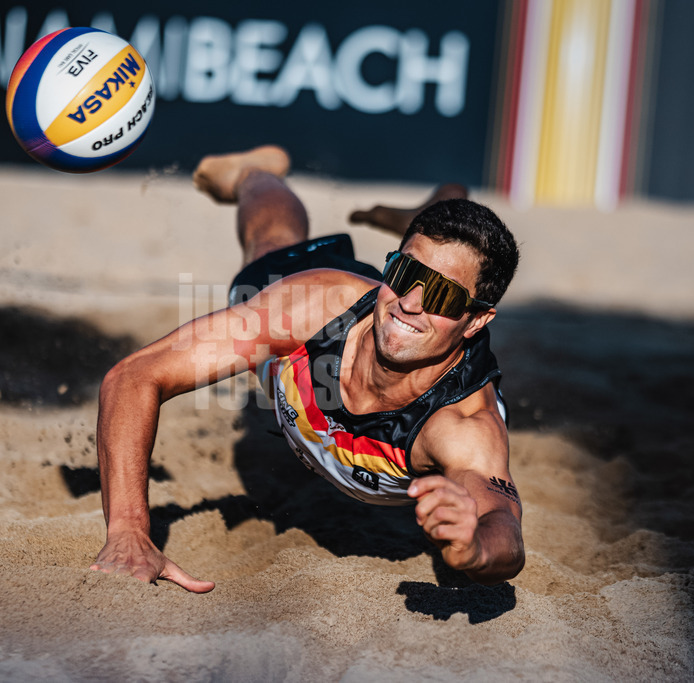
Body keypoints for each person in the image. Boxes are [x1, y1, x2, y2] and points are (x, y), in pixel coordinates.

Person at [91, 145, 523, 593]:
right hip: (311, 339)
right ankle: (255, 173)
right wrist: (128, 532)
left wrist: (476, 550)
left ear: (476, 320)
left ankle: (443, 202)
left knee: (448, 254)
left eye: (442, 296)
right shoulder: (315, 305)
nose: (409, 304)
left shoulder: (461, 424)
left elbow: (505, 529)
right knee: (271, 245)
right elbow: (134, 375)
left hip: (383, 377)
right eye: (403, 272)